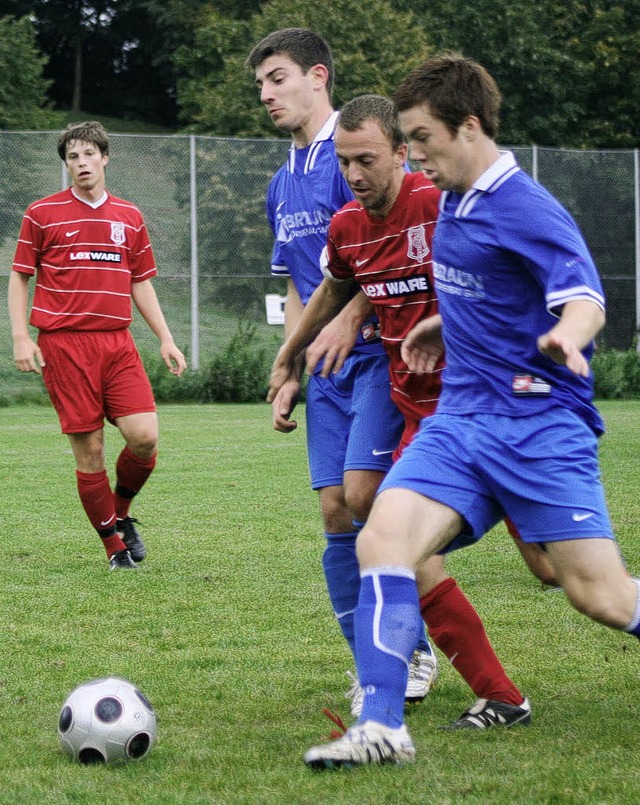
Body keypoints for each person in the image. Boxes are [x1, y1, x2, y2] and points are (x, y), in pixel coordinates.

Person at [303, 55, 640, 769]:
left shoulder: (525, 206)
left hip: (538, 425)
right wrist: (440, 327)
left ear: (470, 126)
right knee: (383, 539)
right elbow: (478, 287)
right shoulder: (454, 197)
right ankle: (384, 727)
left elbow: (585, 299)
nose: (415, 152)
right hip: (459, 423)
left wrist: (564, 337)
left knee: (596, 593)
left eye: (422, 137)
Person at [269, 93, 530, 726]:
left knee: (564, 575)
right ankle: (496, 695)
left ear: (401, 152)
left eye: (366, 160)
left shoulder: (444, 207)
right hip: (421, 418)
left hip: (490, 410)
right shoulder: (346, 227)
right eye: (344, 162)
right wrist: (292, 357)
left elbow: (506, 282)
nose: (354, 176)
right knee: (377, 519)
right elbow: (343, 281)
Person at [246, 28, 438, 706]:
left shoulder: (352, 153)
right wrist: (292, 364)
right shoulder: (280, 182)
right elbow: (306, 284)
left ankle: (409, 649)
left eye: (276, 78)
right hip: (324, 373)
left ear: (317, 76)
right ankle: (371, 658)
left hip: (381, 360)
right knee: (334, 511)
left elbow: (379, 259)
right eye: (261, 84)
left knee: (371, 503)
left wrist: (353, 317)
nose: (266, 94)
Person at [8, 121, 186, 571]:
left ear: (105, 158)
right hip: (65, 346)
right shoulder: (42, 213)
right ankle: (114, 548)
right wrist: (20, 336)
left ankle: (120, 514)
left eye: (89, 154)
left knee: (144, 437)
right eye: (72, 156)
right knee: (90, 455)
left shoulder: (129, 216)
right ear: (66, 164)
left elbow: (140, 283)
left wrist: (165, 337)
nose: (81, 163)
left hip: (117, 343)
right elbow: (19, 277)